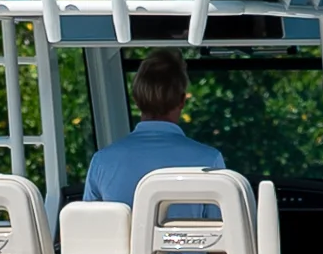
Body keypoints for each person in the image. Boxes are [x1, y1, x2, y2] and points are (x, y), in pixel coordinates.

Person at [82, 49, 226, 206]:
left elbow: (89, 220)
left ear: (136, 99)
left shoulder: (102, 161)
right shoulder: (209, 162)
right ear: (182, 101)